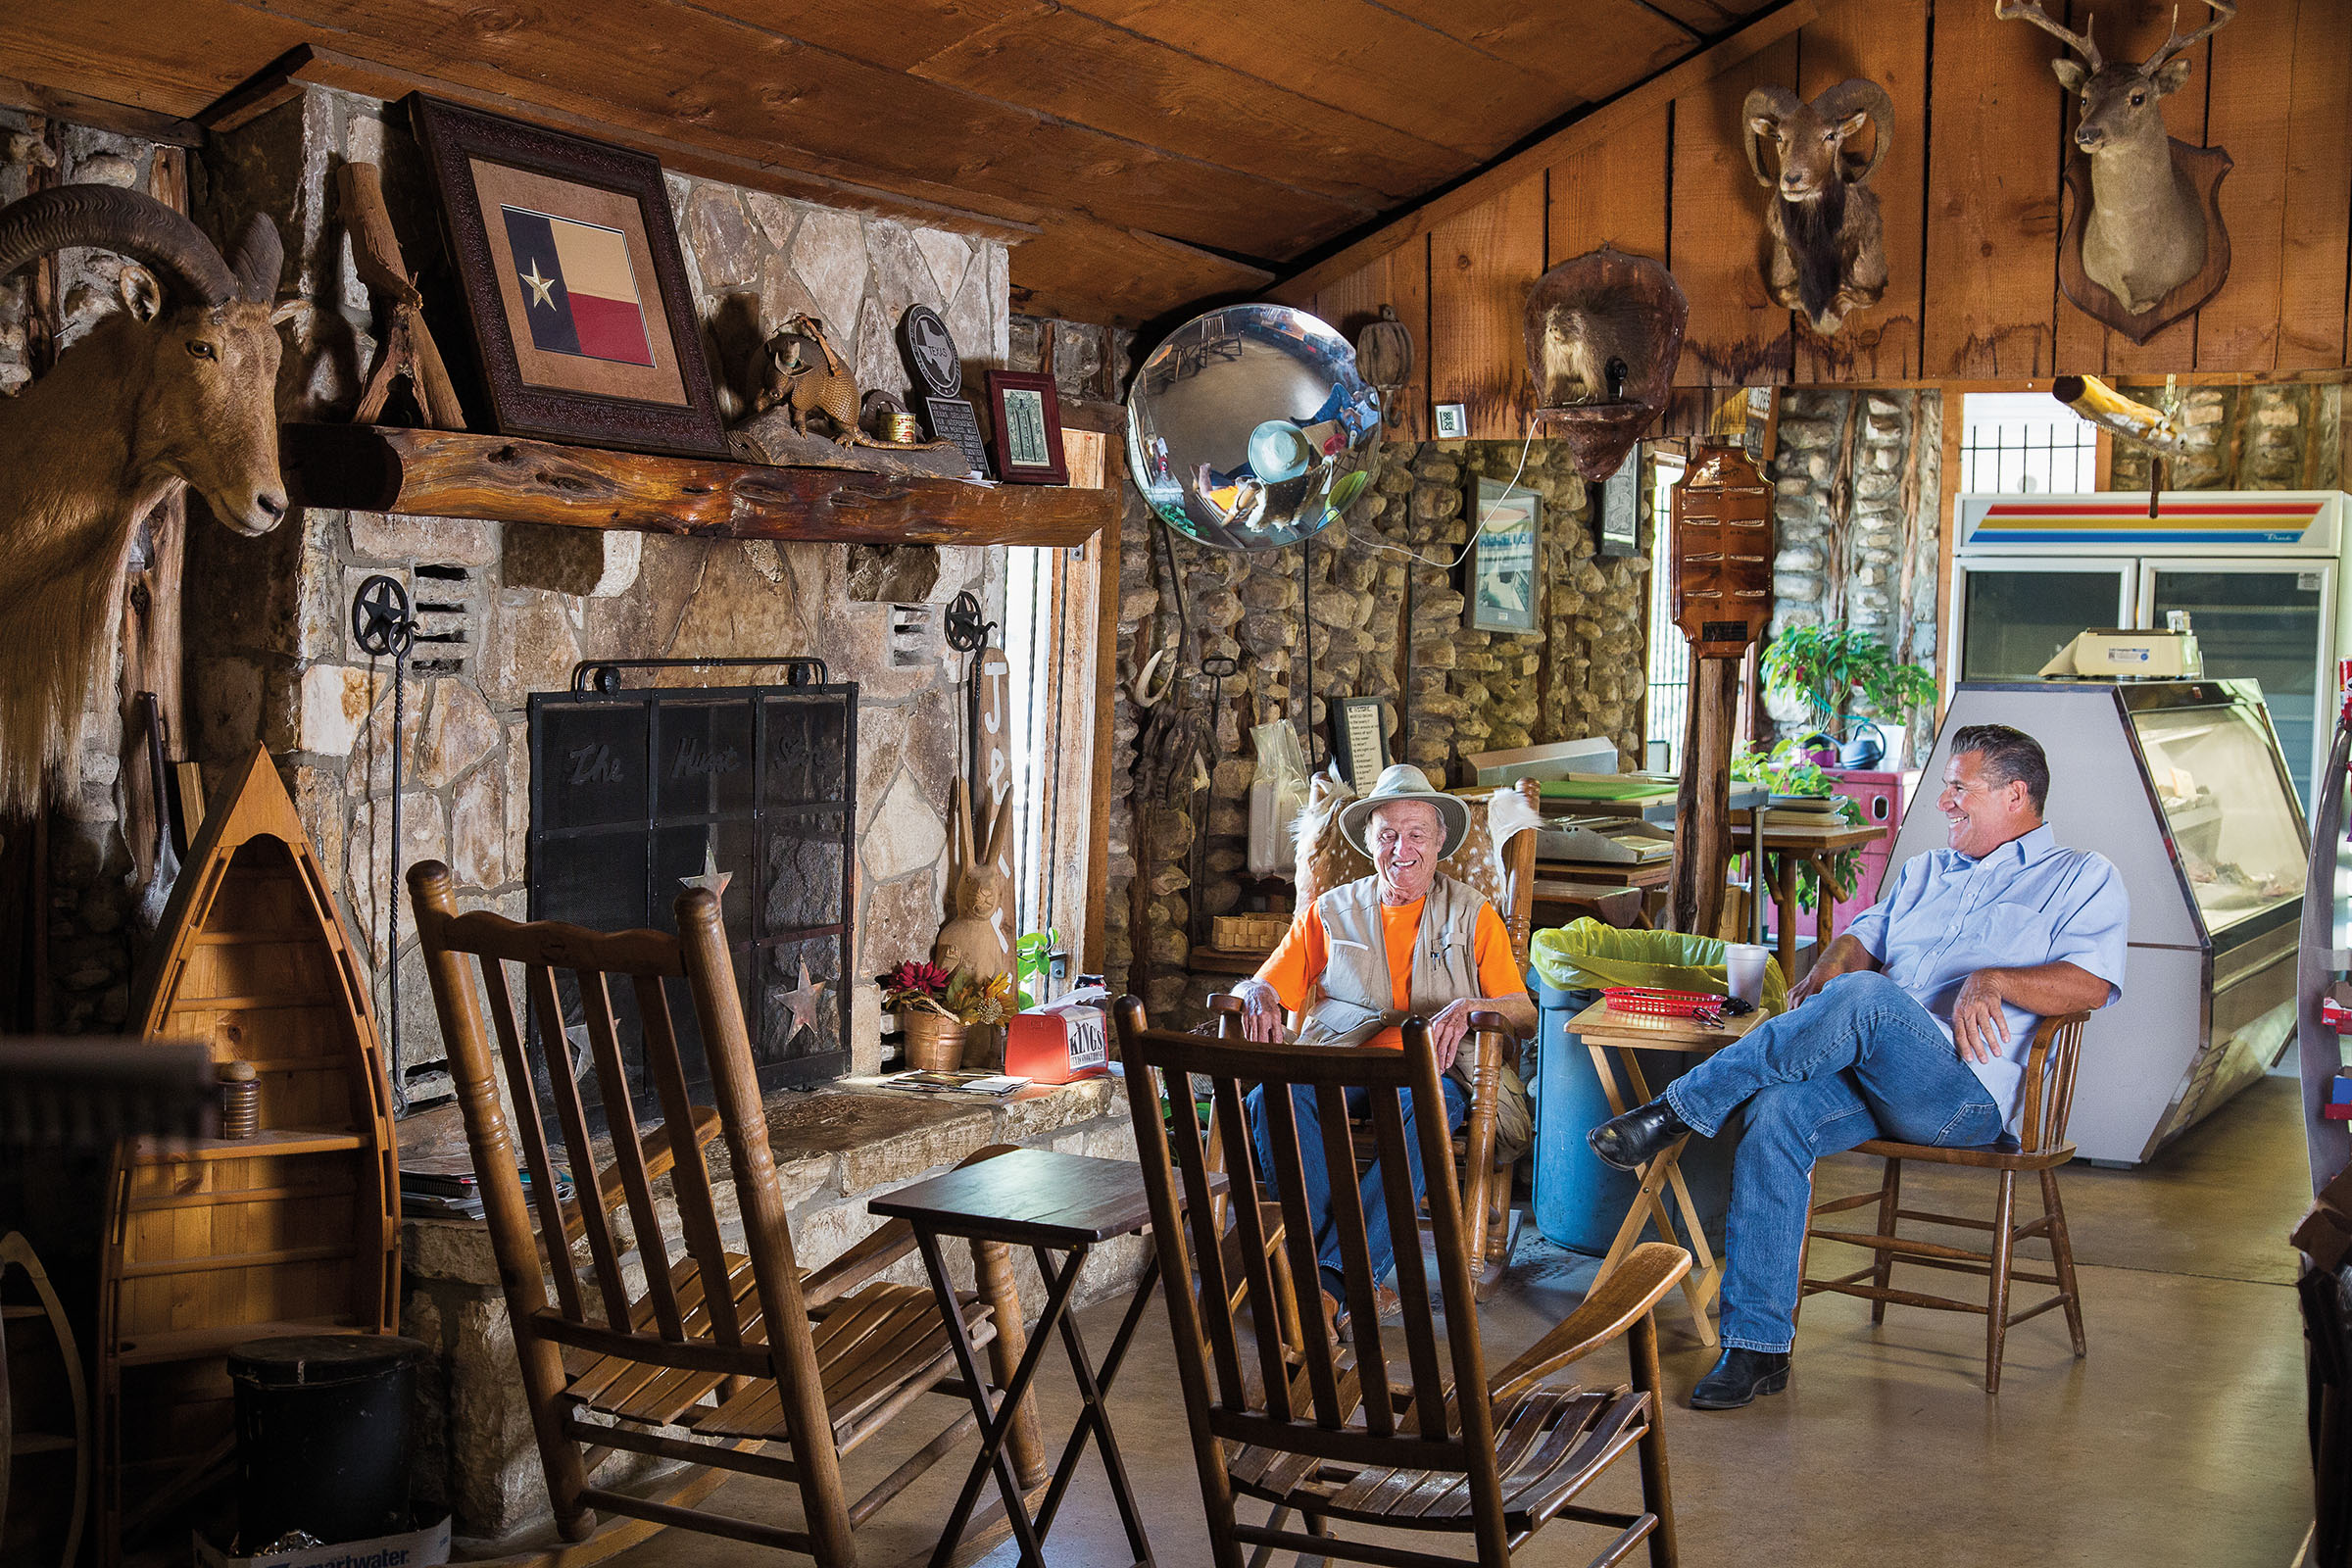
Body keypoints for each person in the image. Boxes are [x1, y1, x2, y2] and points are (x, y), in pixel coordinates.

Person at [1588, 724, 2128, 1409]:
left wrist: (1997, 978)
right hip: (1876, 1077)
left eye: (1959, 788)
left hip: (1961, 1097)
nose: (1946, 803)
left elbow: (2092, 984)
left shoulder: (2081, 876)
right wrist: (1834, 968)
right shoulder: (1928, 871)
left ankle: (1676, 1110)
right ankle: (1756, 1349)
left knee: (1869, 998)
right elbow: (1857, 940)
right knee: (1777, 1109)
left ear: (2015, 794)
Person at [1231, 764, 1536, 1323]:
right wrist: (1253, 992)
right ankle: (1347, 1279)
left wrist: (1471, 1008)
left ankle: (1324, 1282)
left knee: (1427, 1105)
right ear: (1369, 839)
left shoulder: (1473, 913)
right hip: (1342, 1058)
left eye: (1417, 833)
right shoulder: (1330, 910)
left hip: (1430, 1070)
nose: (1403, 848)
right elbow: (1264, 981)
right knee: (1269, 1099)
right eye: (1388, 834)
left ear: (1441, 840)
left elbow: (1523, 1012)